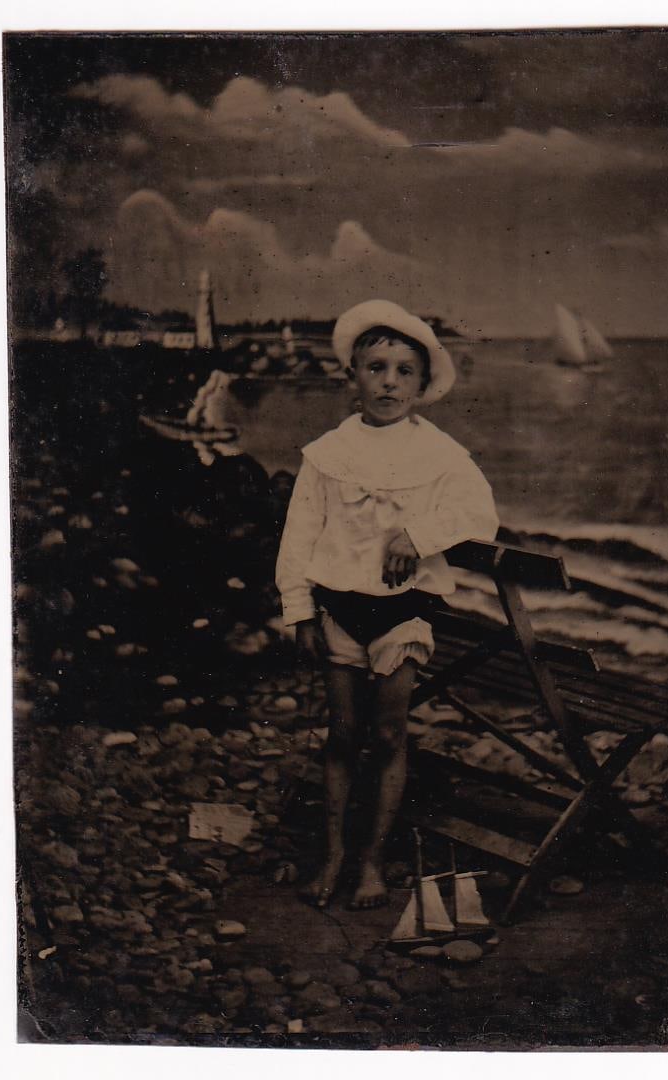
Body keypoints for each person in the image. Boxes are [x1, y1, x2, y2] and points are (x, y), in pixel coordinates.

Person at [276, 299, 499, 909]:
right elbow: (300, 534)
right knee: (342, 735)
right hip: (339, 607)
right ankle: (334, 856)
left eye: (404, 372)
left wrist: (417, 537)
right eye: (376, 368)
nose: (389, 383)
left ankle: (372, 861)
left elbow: (480, 514)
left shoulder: (442, 455)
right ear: (353, 375)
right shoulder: (327, 453)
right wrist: (299, 613)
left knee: (388, 731)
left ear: (423, 385)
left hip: (403, 612)